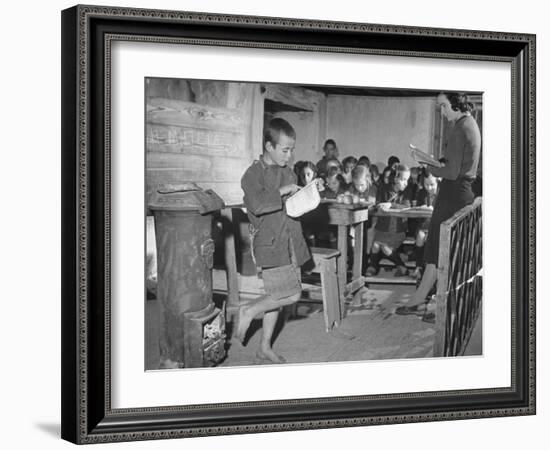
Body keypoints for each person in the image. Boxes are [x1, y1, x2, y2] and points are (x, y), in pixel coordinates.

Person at [396, 92, 481, 320]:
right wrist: (438, 163)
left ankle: (440, 305)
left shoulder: (460, 127)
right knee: (437, 250)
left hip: (453, 195)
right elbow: (455, 164)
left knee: (442, 252)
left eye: (444, 106)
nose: (442, 113)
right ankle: (423, 299)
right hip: (458, 193)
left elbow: (451, 172)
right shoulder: (470, 123)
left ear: (456, 103)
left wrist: (427, 165)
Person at [239, 118, 312, 364]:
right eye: (285, 149)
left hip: (291, 241)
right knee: (291, 295)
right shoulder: (252, 174)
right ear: (269, 146)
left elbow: (292, 205)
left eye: (292, 150)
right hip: (271, 244)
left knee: (277, 297)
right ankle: (248, 310)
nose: (290, 155)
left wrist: (309, 192)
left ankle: (264, 347)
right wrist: (283, 191)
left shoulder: (287, 171)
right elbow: (258, 205)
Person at [366, 164, 411, 277]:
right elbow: (377, 205)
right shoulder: (383, 189)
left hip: (398, 230)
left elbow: (406, 207)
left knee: (384, 247)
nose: (406, 183)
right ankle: (373, 266)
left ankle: (402, 266)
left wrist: (391, 204)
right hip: (383, 228)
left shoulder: (406, 192)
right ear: (395, 179)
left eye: (407, 180)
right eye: (404, 180)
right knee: (375, 245)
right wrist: (380, 206)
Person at [410, 169, 438, 279]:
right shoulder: (421, 193)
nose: (429, 188)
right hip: (424, 224)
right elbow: (417, 210)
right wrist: (421, 208)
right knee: (420, 236)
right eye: (426, 184)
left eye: (432, 184)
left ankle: (429, 268)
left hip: (436, 225)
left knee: (431, 239)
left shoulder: (442, 193)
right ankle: (419, 266)